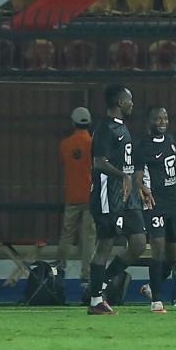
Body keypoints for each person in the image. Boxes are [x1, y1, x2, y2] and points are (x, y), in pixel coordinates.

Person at [87, 84, 146, 315]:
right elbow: (98, 162)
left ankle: (102, 282)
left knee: (139, 243)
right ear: (120, 102)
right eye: (129, 100)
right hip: (107, 194)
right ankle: (95, 301)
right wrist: (123, 176)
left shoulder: (121, 126)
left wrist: (132, 182)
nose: (132, 104)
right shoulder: (105, 128)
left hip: (127, 195)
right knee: (105, 244)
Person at [134, 106, 176, 313]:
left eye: (165, 118)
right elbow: (138, 176)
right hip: (155, 203)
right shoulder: (142, 146)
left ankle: (151, 287)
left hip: (173, 202)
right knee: (158, 250)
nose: (162, 122)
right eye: (157, 119)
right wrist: (143, 189)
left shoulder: (170, 140)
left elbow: (170, 167)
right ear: (149, 121)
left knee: (173, 254)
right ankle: (157, 301)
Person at [57, 106, 96, 288]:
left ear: (73, 123)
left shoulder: (65, 144)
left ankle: (59, 270)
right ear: (89, 122)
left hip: (72, 195)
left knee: (67, 234)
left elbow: (65, 163)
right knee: (88, 237)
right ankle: (86, 276)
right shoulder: (93, 143)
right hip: (90, 196)